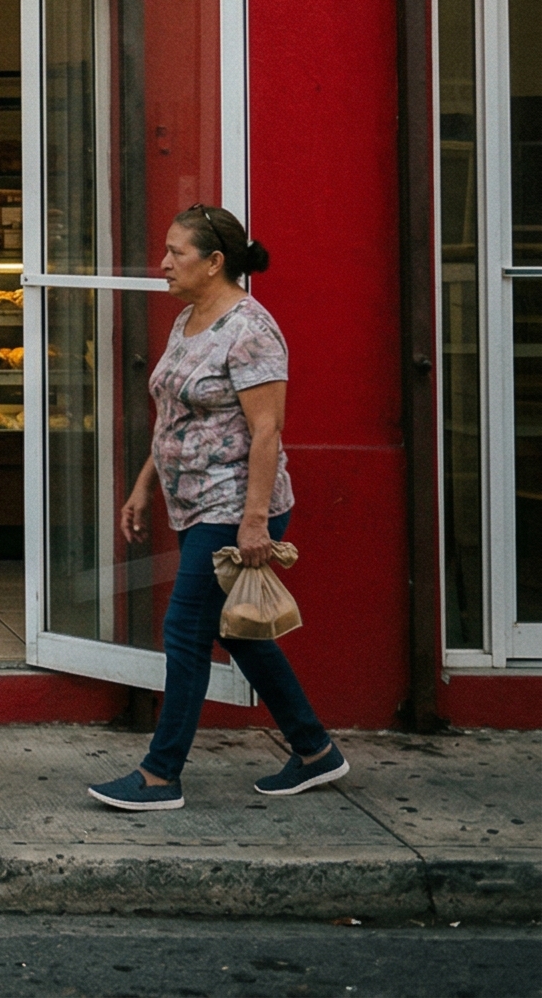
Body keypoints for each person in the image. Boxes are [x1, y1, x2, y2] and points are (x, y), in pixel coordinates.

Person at [85, 204, 346, 812]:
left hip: (233, 505)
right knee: (242, 634)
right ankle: (314, 750)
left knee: (185, 629)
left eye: (178, 253)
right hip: (194, 498)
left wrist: (254, 520)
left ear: (215, 262)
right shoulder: (187, 319)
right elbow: (175, 413)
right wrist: (146, 483)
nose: (165, 262)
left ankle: (160, 775)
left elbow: (266, 432)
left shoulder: (251, 328)